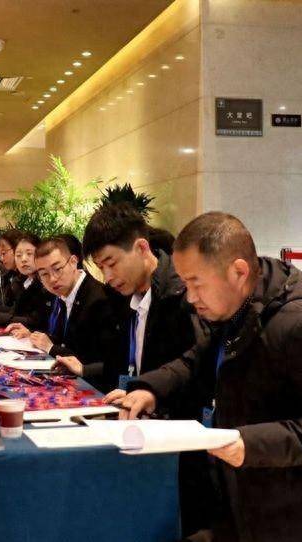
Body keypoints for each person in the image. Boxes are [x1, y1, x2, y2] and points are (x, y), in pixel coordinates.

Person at [106, 212, 302, 542]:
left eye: (196, 284)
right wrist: (150, 389)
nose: (190, 297)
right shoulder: (236, 310)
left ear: (238, 271)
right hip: (251, 503)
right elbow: (196, 361)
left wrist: (249, 443)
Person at [82, 203, 211, 537]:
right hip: (141, 429)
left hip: (178, 450)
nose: (108, 277)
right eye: (101, 268)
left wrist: (152, 394)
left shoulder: (183, 296)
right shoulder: (122, 297)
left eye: (111, 263)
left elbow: (197, 372)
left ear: (141, 248)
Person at [7, 234, 122, 392]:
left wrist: (51, 348)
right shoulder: (62, 294)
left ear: (73, 262)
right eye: (44, 274)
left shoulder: (98, 300)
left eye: (57, 269)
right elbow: (66, 340)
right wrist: (33, 335)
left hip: (97, 390)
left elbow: (100, 362)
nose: (52, 279)